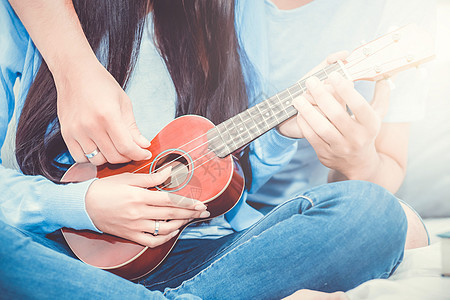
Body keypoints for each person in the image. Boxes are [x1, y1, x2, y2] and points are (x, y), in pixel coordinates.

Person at [0, 0, 432, 298]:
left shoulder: (220, 24)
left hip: (206, 255)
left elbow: (225, 180)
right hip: (57, 249)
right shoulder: (38, 23)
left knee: (375, 211)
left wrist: (282, 131)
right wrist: (84, 204)